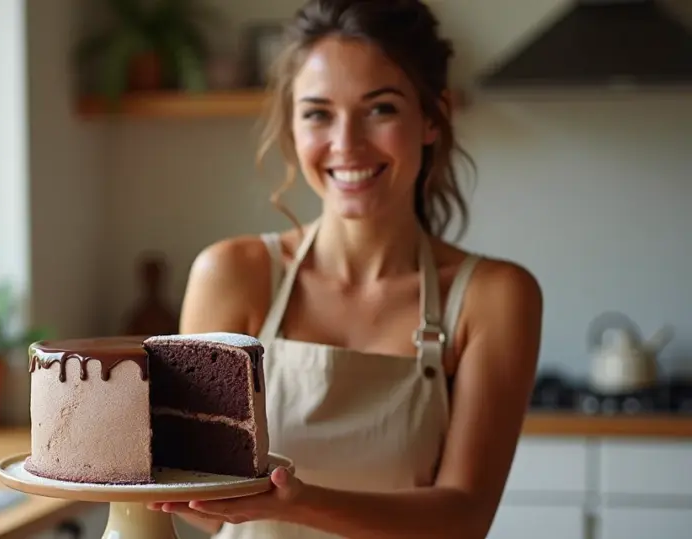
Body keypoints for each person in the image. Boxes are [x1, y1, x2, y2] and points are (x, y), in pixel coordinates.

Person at [147, 0, 544, 537]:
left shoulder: (491, 296)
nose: (346, 143)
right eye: (318, 113)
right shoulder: (233, 274)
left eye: (380, 109)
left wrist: (296, 504)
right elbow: (200, 507)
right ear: (292, 124)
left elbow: (464, 518)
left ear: (433, 116)